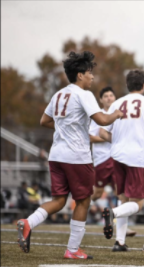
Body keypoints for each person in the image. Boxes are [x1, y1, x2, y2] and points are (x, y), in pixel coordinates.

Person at [17, 51, 123, 259]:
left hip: (56, 155)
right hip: (76, 156)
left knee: (58, 201)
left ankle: (28, 222)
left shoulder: (59, 94)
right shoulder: (83, 94)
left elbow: (44, 121)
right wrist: (116, 114)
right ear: (80, 75)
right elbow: (102, 120)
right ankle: (72, 250)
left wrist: (65, 126)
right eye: (90, 73)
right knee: (83, 201)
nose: (92, 77)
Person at [99, 69, 144, 252]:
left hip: (117, 155)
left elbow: (102, 131)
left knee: (123, 198)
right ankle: (112, 214)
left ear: (127, 85)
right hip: (137, 156)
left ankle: (120, 242)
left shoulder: (117, 102)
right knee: (138, 203)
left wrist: (116, 141)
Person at [89, 86, 137, 237]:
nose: (109, 98)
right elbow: (91, 136)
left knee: (122, 193)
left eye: (111, 95)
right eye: (106, 96)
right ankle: (79, 213)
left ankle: (122, 227)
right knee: (96, 193)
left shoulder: (120, 115)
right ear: (101, 100)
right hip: (102, 159)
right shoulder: (99, 116)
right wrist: (110, 138)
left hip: (117, 157)